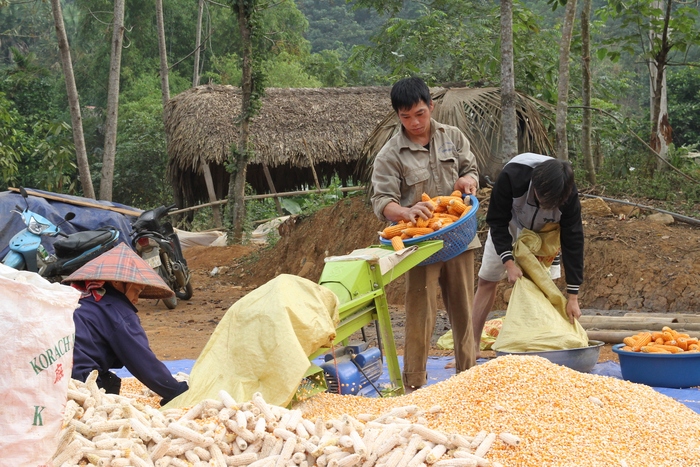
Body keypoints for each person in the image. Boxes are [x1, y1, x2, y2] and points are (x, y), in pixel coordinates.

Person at [371, 76, 480, 392]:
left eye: (420, 114)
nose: (414, 122)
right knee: (420, 314)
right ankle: (415, 384)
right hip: (419, 243)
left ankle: (469, 378)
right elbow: (382, 201)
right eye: (406, 117)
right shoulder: (391, 153)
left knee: (463, 310)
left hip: (458, 237)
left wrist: (467, 182)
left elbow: (470, 171)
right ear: (398, 116)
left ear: (431, 106)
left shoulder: (453, 138)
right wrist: (404, 213)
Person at [472, 152, 584, 353]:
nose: (544, 206)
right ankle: (470, 346)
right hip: (511, 225)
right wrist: (509, 263)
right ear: (535, 185)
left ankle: (538, 347)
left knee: (542, 289)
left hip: (544, 234)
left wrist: (573, 297)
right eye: (541, 200)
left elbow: (573, 240)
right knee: (487, 280)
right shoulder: (513, 175)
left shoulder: (568, 194)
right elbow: (497, 220)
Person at [63, 242, 189, 404]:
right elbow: (142, 360)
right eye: (136, 291)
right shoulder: (116, 310)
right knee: (109, 384)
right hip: (77, 381)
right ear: (117, 283)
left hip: (49, 375)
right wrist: (176, 391)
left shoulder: (81, 298)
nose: (136, 300)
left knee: (109, 379)